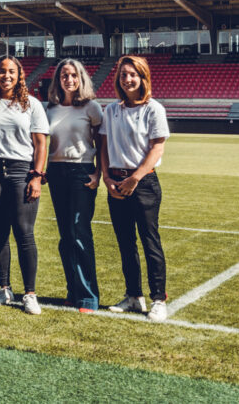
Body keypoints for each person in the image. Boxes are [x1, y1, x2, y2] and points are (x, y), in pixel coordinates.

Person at [0, 55, 49, 315]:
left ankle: (30, 293)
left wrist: (37, 176)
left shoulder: (32, 105)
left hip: (21, 170)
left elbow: (40, 144)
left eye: (11, 72)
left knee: (24, 232)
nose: (6, 76)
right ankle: (4, 288)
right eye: (2, 71)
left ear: (20, 75)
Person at [99, 55, 170, 322]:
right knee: (125, 243)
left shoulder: (154, 109)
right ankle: (133, 296)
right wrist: (106, 177)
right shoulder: (111, 110)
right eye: (123, 75)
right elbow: (103, 147)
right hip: (115, 182)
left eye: (133, 74)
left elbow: (157, 147)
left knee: (150, 242)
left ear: (142, 78)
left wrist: (135, 178)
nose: (127, 79)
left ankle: (158, 299)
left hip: (144, 184)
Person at [45, 58, 103, 314]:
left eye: (73, 75)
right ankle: (72, 291)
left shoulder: (92, 108)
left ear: (81, 79)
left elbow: (102, 145)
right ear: (58, 80)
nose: (69, 80)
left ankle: (88, 297)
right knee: (66, 237)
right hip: (56, 172)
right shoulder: (50, 109)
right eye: (64, 75)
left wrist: (98, 174)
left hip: (81, 171)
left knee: (80, 234)